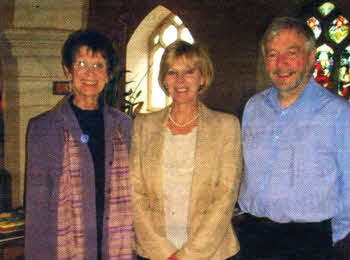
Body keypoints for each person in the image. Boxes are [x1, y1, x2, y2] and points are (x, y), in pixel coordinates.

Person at [238, 16, 350, 259]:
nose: (281, 64)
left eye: (291, 53)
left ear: (311, 58)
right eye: (272, 54)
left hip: (308, 242)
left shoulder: (337, 113)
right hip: (252, 236)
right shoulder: (254, 107)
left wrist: (335, 237)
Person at [25, 30, 133, 259]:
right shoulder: (43, 128)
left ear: (108, 73)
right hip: (65, 247)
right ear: (68, 69)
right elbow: (36, 209)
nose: (90, 74)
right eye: (81, 63)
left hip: (115, 246)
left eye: (98, 65)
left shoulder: (124, 126)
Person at [130, 40, 242, 260]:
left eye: (189, 72)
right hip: (154, 251)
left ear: (202, 77)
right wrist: (164, 252)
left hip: (211, 252)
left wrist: (187, 256)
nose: (180, 80)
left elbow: (225, 196)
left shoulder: (227, 126)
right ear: (164, 79)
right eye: (172, 72)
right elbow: (134, 192)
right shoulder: (143, 125)